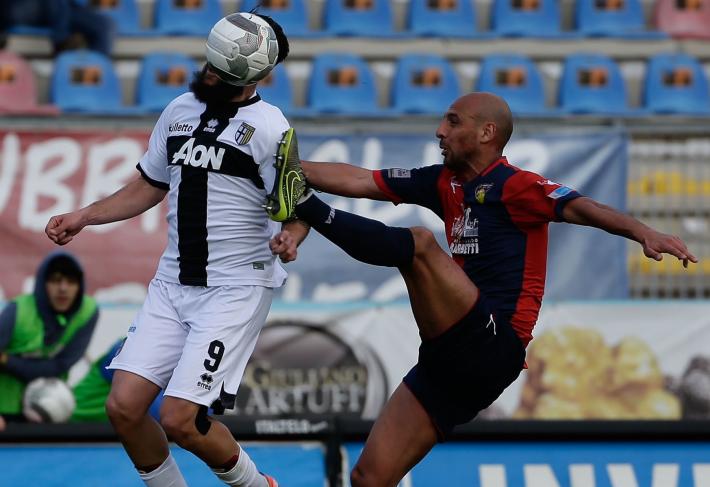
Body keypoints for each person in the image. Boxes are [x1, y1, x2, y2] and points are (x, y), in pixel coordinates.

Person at [269, 93, 698, 487]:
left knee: (419, 244)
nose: (440, 131)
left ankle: (307, 206)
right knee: (369, 478)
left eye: (453, 122)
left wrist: (644, 232)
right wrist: (288, 168)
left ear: (486, 132)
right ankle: (303, 200)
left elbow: (585, 207)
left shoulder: (516, 185)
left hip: (495, 343)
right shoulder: (443, 182)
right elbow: (363, 180)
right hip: (448, 358)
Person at [45, 13, 307, 487]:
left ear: (254, 78)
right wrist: (84, 216)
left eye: (222, 73)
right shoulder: (179, 110)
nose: (211, 77)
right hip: (172, 284)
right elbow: (150, 184)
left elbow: (300, 205)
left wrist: (291, 236)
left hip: (234, 288)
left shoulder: (271, 127)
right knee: (123, 407)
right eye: (211, 67)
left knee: (180, 419)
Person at [0, 251, 99, 422]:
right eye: (55, 280)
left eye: (71, 281)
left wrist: (6, 360)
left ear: (80, 286)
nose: (63, 288)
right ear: (41, 284)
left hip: (51, 409)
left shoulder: (88, 312)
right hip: (5, 410)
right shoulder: (17, 311)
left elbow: (61, 365)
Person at [0, 0, 114, 56]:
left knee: (104, 24)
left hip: (65, 8)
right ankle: (62, 44)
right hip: (25, 6)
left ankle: (94, 77)